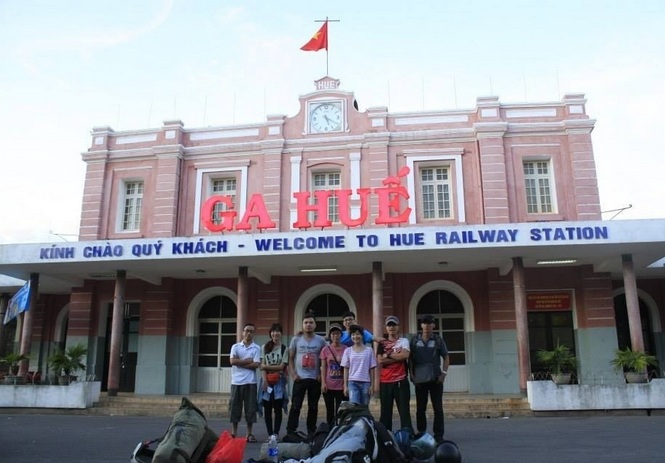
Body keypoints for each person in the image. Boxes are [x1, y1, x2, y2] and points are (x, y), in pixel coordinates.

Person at [284, 312, 327, 437]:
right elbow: (290, 358)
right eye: (306, 322)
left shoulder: (321, 340)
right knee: (296, 406)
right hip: (299, 379)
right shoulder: (296, 339)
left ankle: (311, 431)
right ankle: (291, 430)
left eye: (311, 322)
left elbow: (325, 359)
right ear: (302, 325)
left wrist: (321, 375)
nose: (308, 325)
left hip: (315, 379)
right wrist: (293, 374)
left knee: (313, 407)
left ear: (315, 325)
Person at [409, 314, 450, 443]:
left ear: (433, 325)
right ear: (421, 325)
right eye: (424, 323)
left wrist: (443, 374)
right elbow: (410, 359)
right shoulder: (414, 340)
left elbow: (446, 357)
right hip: (420, 380)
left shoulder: (438, 340)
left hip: (436, 380)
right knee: (421, 408)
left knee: (438, 408)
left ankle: (439, 435)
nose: (426, 325)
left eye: (429, 323)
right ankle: (421, 433)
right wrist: (412, 375)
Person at [377, 315, 413, 433]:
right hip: (385, 382)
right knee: (385, 413)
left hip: (400, 381)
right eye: (389, 325)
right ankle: (385, 438)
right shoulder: (382, 343)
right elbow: (380, 360)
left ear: (398, 327)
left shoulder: (404, 341)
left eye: (394, 325)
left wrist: (387, 355)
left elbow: (405, 355)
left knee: (404, 412)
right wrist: (396, 357)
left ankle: (407, 436)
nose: (391, 327)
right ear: (386, 328)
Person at [229, 322, 261, 442]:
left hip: (250, 382)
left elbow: (256, 364)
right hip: (236, 382)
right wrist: (247, 361)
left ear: (254, 333)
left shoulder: (256, 348)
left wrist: (240, 362)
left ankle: (249, 434)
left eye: (251, 331)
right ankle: (234, 433)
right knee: (234, 408)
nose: (248, 333)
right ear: (243, 332)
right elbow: (232, 362)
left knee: (250, 408)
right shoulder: (235, 347)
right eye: (247, 330)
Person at [260, 323, 288, 439]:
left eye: (277, 331)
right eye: (273, 331)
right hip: (267, 381)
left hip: (278, 382)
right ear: (270, 333)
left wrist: (266, 367)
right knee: (267, 408)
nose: (275, 333)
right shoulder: (265, 347)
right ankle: (269, 433)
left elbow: (282, 367)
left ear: (281, 333)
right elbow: (261, 366)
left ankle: (276, 433)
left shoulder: (284, 349)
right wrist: (264, 380)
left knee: (278, 408)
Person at [341, 324, 377, 405]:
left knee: (364, 407)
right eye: (353, 334)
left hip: (366, 383)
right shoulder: (348, 351)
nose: (355, 336)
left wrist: (372, 385)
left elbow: (372, 368)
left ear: (362, 335)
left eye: (357, 334)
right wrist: (345, 386)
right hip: (352, 383)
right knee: (354, 407)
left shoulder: (369, 350)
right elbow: (346, 369)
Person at [319, 323, 348, 426]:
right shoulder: (325, 350)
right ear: (330, 336)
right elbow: (323, 367)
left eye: (337, 333)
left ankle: (340, 430)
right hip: (329, 385)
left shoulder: (346, 349)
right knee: (330, 410)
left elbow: (347, 368)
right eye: (333, 334)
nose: (335, 336)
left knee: (341, 411)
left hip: (341, 386)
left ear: (341, 335)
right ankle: (330, 429)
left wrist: (346, 384)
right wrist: (323, 383)